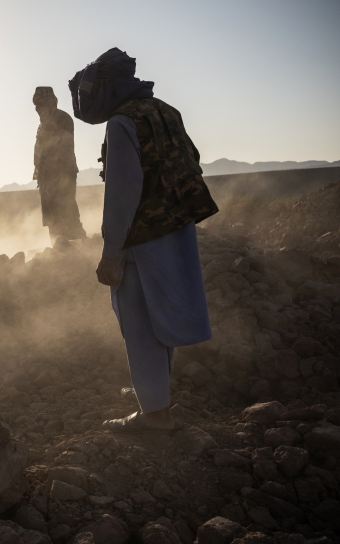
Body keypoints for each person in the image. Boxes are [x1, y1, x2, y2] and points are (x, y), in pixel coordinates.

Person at [68, 48, 218, 431]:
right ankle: (154, 391)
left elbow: (122, 192)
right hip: (176, 229)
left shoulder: (121, 122)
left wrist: (111, 251)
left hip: (141, 238)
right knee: (162, 314)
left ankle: (154, 414)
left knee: (138, 320)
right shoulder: (164, 110)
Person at [32, 86, 86, 243]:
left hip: (62, 174)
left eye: (41, 105)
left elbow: (66, 147)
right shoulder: (43, 124)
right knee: (51, 215)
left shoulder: (63, 119)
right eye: (36, 106)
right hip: (46, 176)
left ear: (50, 103)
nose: (38, 109)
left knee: (67, 211)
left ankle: (78, 248)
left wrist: (64, 175)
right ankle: (58, 250)